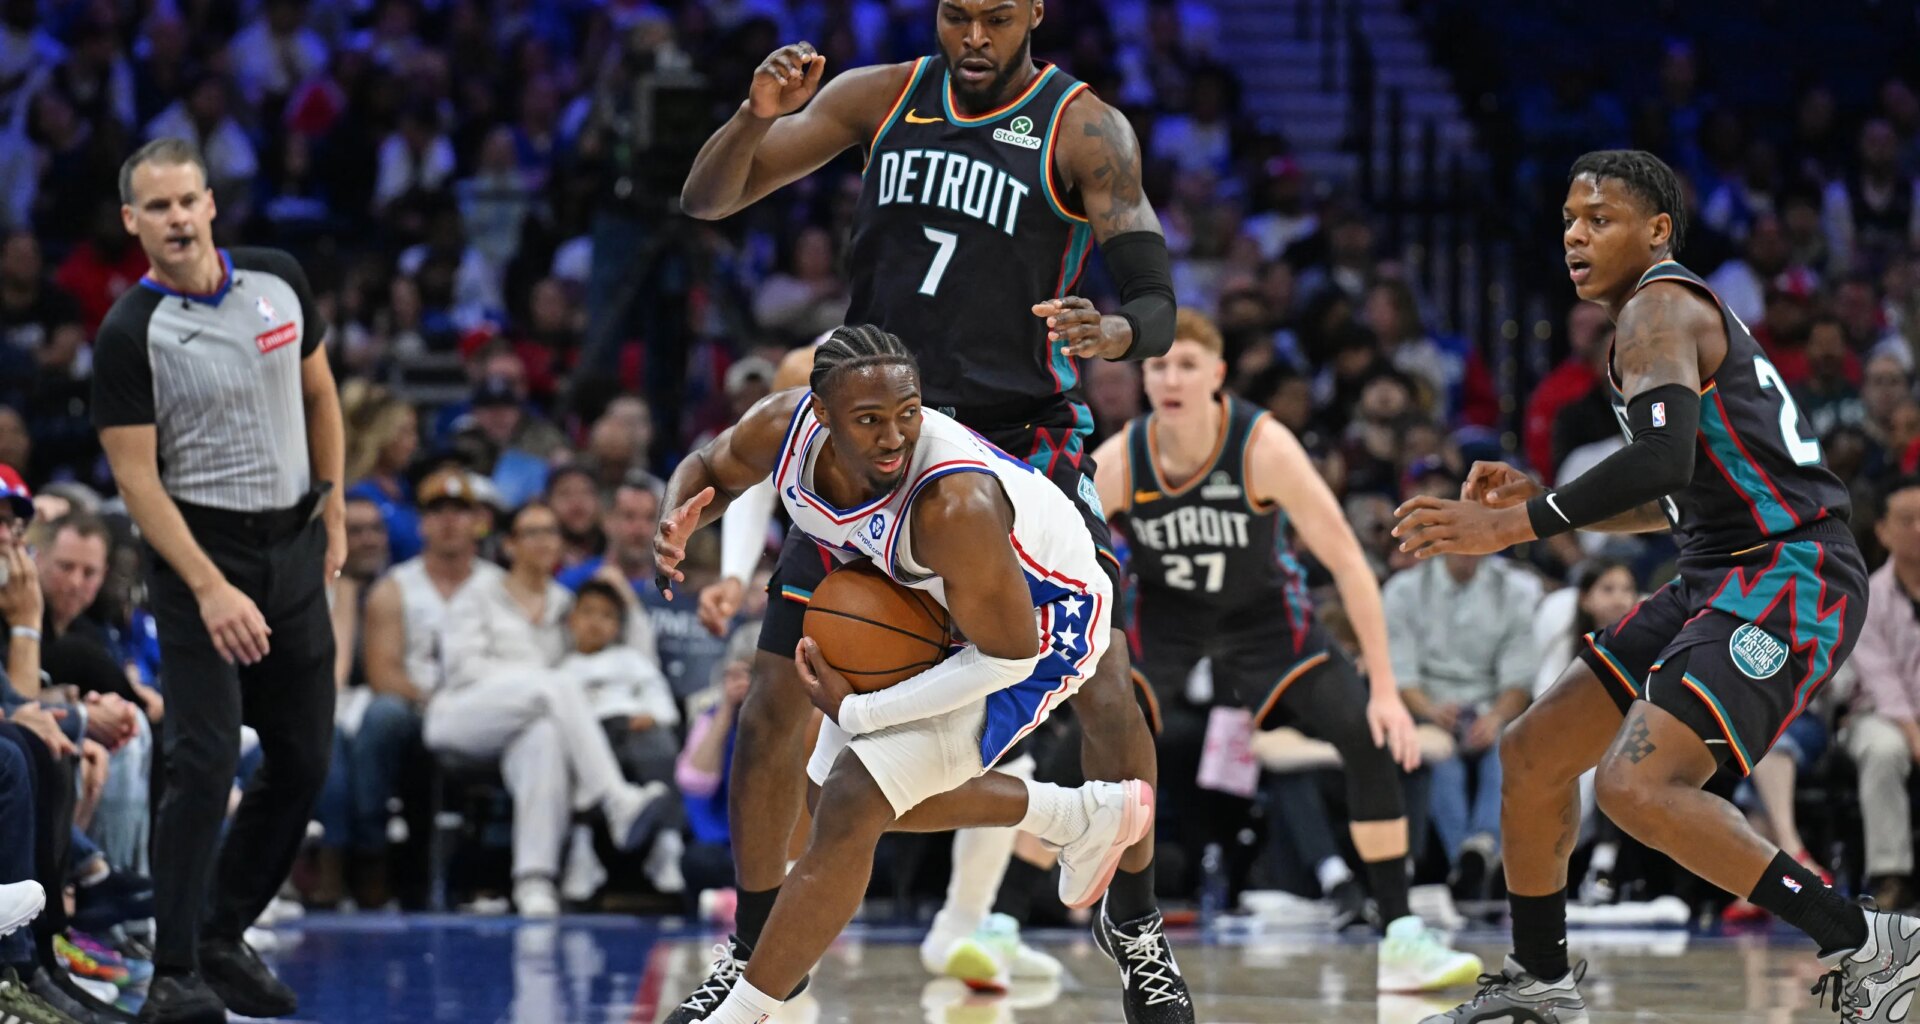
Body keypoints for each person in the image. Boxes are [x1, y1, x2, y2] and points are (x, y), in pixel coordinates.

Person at [677, 3, 1185, 1017]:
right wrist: (750, 117)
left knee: (1109, 686)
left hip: (1016, 438)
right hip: (878, 439)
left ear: (1036, 10)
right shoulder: (883, 94)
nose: (974, 34)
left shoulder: (1085, 130)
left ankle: (1136, 925)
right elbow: (708, 199)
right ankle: (756, 939)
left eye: (996, 15)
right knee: (773, 702)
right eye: (957, 12)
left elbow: (1157, 304)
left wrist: (1114, 331)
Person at [1396, 150, 1887, 1022]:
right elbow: (1673, 490)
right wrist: (1544, 498)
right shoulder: (1658, 320)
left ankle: (1865, 940)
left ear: (1657, 230)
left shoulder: (1658, 305)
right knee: (1533, 752)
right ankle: (1542, 982)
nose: (1575, 237)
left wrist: (1519, 523)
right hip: (1719, 565)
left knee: (1635, 787)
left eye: (1599, 220)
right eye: (1568, 224)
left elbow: (1657, 460)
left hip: (1789, 569)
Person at [653, 325, 1151, 1024]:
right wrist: (674, 517)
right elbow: (711, 466)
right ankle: (1077, 814)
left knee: (856, 796)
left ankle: (744, 1011)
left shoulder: (953, 505)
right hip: (940, 601)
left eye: (908, 414)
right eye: (870, 420)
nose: (894, 437)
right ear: (818, 415)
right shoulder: (782, 427)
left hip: (1044, 624)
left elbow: (1010, 656)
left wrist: (859, 714)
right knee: (828, 799)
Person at [1088, 309, 1477, 992]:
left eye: (1185, 364)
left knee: (1366, 734)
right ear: (1143, 378)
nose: (1171, 378)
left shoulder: (1262, 446)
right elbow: (1061, 547)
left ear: (1216, 374)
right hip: (1168, 613)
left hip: (1264, 614)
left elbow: (1351, 565)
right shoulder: (1123, 459)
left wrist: (1385, 687)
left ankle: (1401, 937)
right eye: (1158, 366)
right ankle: (997, 922)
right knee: (1084, 742)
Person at [92, 138, 345, 1024]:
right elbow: (135, 480)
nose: (176, 219)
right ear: (133, 222)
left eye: (187, 201)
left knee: (307, 757)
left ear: (210, 205)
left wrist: (336, 510)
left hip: (293, 545)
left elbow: (321, 396)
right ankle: (172, 973)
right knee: (201, 762)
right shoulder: (130, 332)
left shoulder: (278, 280)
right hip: (200, 553)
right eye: (156, 208)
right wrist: (207, 587)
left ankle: (221, 933)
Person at [420, 501, 669, 917]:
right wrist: (536, 681)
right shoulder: (479, 591)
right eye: (532, 532)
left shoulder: (564, 604)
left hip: (531, 720)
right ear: (511, 544)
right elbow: (463, 669)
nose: (544, 541)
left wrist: (624, 594)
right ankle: (616, 800)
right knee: (555, 687)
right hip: (460, 715)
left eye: (552, 532)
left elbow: (633, 661)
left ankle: (534, 881)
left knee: (547, 738)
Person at [350, 467, 500, 908]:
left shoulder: (499, 584)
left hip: (484, 711)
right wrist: (436, 702)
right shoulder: (394, 587)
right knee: (382, 716)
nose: (449, 521)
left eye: (460, 511)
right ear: (422, 523)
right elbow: (383, 673)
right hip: (417, 709)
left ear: (479, 521)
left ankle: (513, 874)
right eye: (437, 512)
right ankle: (370, 854)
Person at [1841, 474, 1920, 911]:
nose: (1918, 530)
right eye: (1907, 520)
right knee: (1886, 749)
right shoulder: (1868, 594)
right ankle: (1890, 875)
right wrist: (1913, 734)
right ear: (1884, 532)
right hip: (1878, 715)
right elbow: (1882, 679)